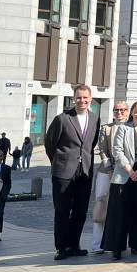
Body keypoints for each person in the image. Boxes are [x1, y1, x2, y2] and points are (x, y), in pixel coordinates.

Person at [45, 85, 99, 260]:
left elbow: (91, 144)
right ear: (73, 98)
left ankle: (74, 244)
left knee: (80, 211)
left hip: (84, 172)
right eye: (78, 97)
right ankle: (61, 247)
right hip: (63, 172)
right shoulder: (62, 119)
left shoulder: (95, 119)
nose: (82, 101)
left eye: (85, 98)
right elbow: (50, 143)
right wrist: (59, 161)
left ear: (90, 99)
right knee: (62, 210)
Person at [103, 100, 137, 260]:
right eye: (136, 112)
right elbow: (117, 151)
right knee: (119, 212)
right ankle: (117, 247)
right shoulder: (123, 128)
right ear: (131, 113)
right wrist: (129, 169)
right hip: (124, 174)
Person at [91, 102, 129, 254]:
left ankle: (120, 241)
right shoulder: (106, 128)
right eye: (116, 110)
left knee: (122, 206)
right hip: (106, 171)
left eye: (122, 110)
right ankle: (97, 243)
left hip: (126, 171)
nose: (119, 112)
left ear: (127, 112)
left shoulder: (132, 127)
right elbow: (103, 150)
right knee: (101, 202)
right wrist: (109, 169)